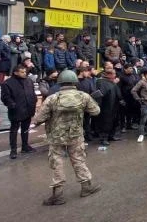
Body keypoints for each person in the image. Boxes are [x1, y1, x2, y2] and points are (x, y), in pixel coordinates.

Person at [34, 69, 102, 206]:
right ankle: (86, 187)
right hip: (76, 134)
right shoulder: (83, 96)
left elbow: (38, 119)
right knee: (78, 160)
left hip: (56, 136)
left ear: (60, 82)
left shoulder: (52, 98)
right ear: (75, 82)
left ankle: (57, 194)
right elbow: (96, 111)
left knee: (57, 162)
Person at [1, 65, 38, 159]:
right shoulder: (7, 83)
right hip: (16, 111)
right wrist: (13, 105)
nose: (24, 73)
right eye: (22, 72)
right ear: (15, 72)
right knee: (14, 130)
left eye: (25, 72)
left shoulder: (28, 81)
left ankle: (25, 146)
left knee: (25, 129)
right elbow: (5, 98)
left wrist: (34, 101)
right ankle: (13, 150)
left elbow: (32, 93)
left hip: (28, 109)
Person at [93, 69, 122, 149]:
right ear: (108, 75)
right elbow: (99, 95)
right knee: (105, 123)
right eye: (113, 74)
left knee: (113, 122)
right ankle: (103, 139)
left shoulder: (112, 82)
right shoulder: (101, 82)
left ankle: (110, 136)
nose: (115, 76)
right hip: (106, 107)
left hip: (114, 106)